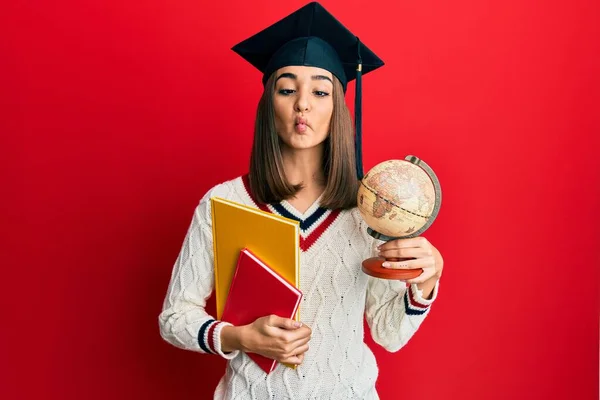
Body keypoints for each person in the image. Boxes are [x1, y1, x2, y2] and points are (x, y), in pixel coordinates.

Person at [158, 2, 443, 399]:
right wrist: (240, 336)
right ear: (269, 105)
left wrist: (425, 284)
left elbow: (389, 333)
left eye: (320, 91)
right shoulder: (224, 202)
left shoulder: (372, 212)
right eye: (287, 89)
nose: (302, 104)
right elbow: (174, 318)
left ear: (338, 107)